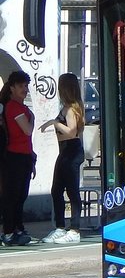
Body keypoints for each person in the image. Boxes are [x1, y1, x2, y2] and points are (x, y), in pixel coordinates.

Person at [39, 72, 85, 244]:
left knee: (72, 191)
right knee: (56, 189)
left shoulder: (72, 108)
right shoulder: (68, 107)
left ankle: (75, 229)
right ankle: (60, 227)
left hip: (72, 151)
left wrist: (54, 123)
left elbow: (72, 131)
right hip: (65, 151)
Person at [1, 70, 36, 246]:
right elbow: (27, 130)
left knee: (21, 195)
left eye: (26, 86)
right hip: (14, 156)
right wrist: (33, 118)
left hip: (24, 156)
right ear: (12, 88)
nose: (25, 89)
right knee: (12, 195)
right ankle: (9, 231)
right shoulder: (13, 107)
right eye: (21, 86)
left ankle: (17, 227)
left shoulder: (22, 108)